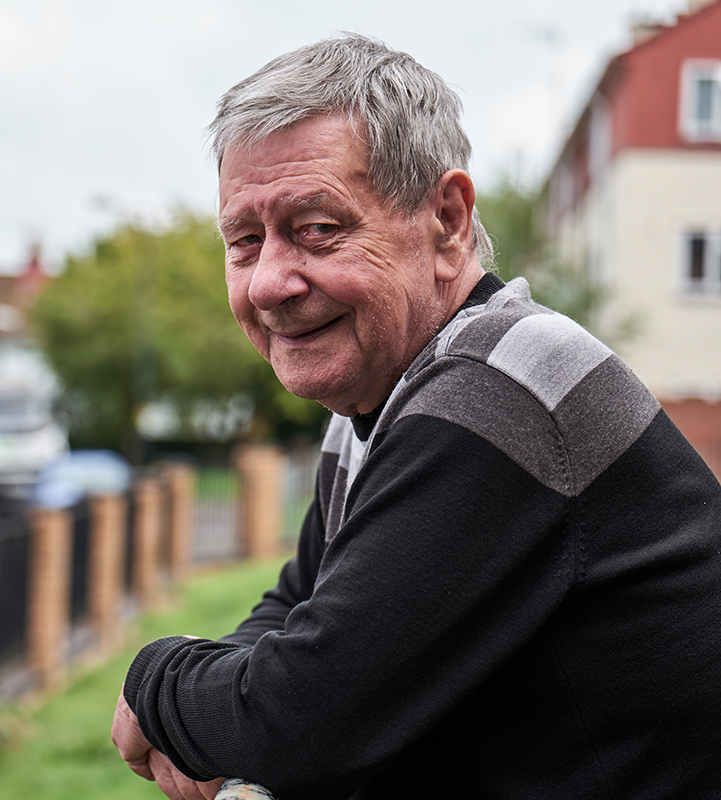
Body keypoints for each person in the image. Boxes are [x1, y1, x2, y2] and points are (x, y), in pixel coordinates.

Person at [111, 34, 721, 800]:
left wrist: (153, 678)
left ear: (447, 221)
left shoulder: (499, 391)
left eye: (317, 229)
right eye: (244, 242)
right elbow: (296, 612)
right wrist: (221, 703)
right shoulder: (377, 403)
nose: (267, 283)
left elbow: (299, 722)